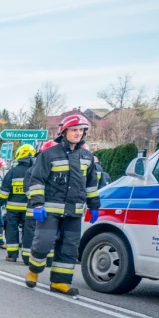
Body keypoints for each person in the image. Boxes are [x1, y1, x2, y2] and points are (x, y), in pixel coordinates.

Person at [26, 115, 100, 296]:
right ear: (64, 131)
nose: (78, 133)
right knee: (44, 243)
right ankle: (34, 271)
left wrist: (94, 206)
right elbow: (36, 180)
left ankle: (60, 282)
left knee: (69, 248)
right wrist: (37, 205)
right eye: (74, 130)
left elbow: (91, 184)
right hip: (49, 210)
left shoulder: (87, 156)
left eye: (81, 130)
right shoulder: (49, 154)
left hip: (74, 211)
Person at [0, 145, 36, 263]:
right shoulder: (36, 171)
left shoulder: (12, 172)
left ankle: (12, 255)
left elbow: (4, 191)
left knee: (11, 230)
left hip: (12, 209)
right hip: (30, 208)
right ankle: (27, 257)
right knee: (29, 231)